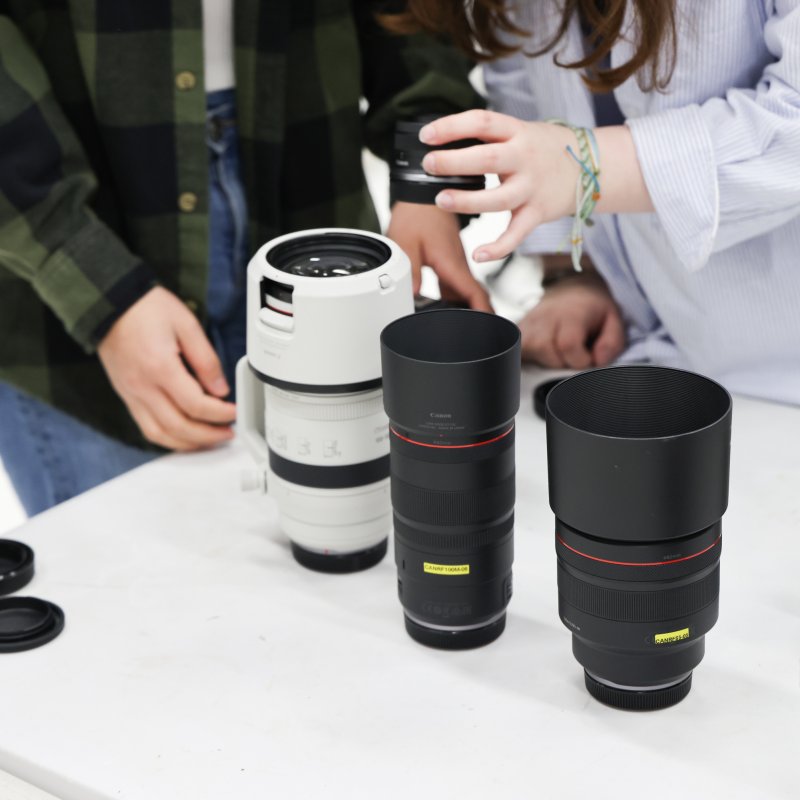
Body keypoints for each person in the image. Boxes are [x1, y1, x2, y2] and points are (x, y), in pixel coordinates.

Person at [0, 0, 489, 516]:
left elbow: (416, 17)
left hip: (313, 202)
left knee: (348, 557)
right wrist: (90, 277)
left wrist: (428, 174)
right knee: (122, 585)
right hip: (63, 264)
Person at [387, 0, 800, 403]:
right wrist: (571, 275)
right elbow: (524, 84)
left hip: (778, 373)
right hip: (652, 355)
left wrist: (589, 165)